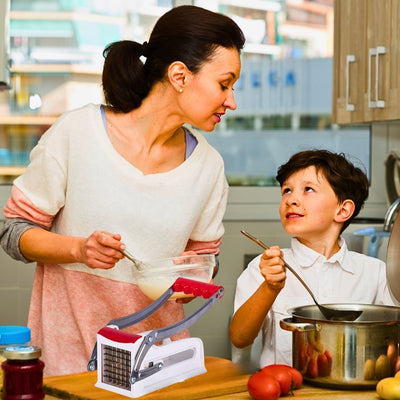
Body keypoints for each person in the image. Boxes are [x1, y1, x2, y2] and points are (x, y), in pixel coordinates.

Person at [0, 5, 245, 376]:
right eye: (224, 84)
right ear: (179, 75)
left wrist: (194, 279)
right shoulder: (77, 133)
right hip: (69, 363)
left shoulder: (208, 169)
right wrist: (79, 249)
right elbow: (13, 231)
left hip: (157, 367)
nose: (231, 101)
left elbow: (205, 262)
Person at [229, 149, 398, 368]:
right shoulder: (262, 269)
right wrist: (270, 288)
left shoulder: (375, 273)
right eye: (286, 191)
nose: (291, 200)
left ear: (343, 210)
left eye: (308, 189)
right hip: (286, 389)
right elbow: (239, 339)